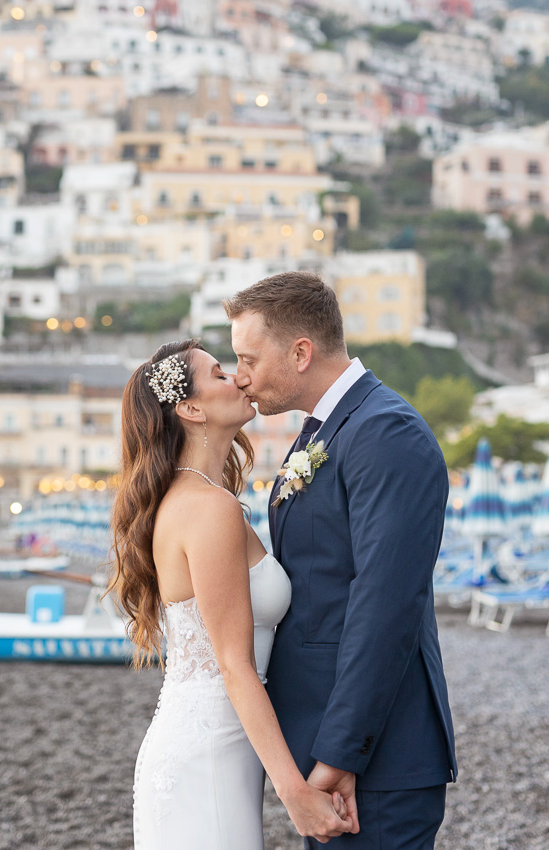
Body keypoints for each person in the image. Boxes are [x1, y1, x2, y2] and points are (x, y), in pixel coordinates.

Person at [226, 271, 458, 850]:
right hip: (329, 745)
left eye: (249, 357)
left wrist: (339, 753)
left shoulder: (387, 433)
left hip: (375, 759)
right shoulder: (324, 431)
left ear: (301, 352)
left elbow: (385, 606)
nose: (240, 376)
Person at [109, 339, 353, 849]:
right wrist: (296, 795)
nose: (240, 379)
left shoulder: (196, 499)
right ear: (191, 409)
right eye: (220, 374)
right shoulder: (208, 508)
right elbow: (234, 665)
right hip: (209, 756)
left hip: (213, 745)